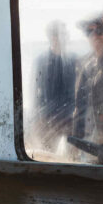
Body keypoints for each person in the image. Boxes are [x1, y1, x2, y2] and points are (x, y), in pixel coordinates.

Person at [31, 20, 77, 152]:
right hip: (47, 121)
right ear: (51, 37)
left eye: (64, 34)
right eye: (58, 34)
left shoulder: (74, 59)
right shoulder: (41, 61)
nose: (63, 37)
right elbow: (34, 92)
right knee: (48, 155)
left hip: (70, 120)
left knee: (72, 157)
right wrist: (38, 119)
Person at [72, 15, 103, 150]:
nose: (95, 36)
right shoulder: (85, 65)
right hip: (90, 145)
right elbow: (79, 108)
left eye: (100, 30)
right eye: (89, 32)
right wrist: (75, 145)